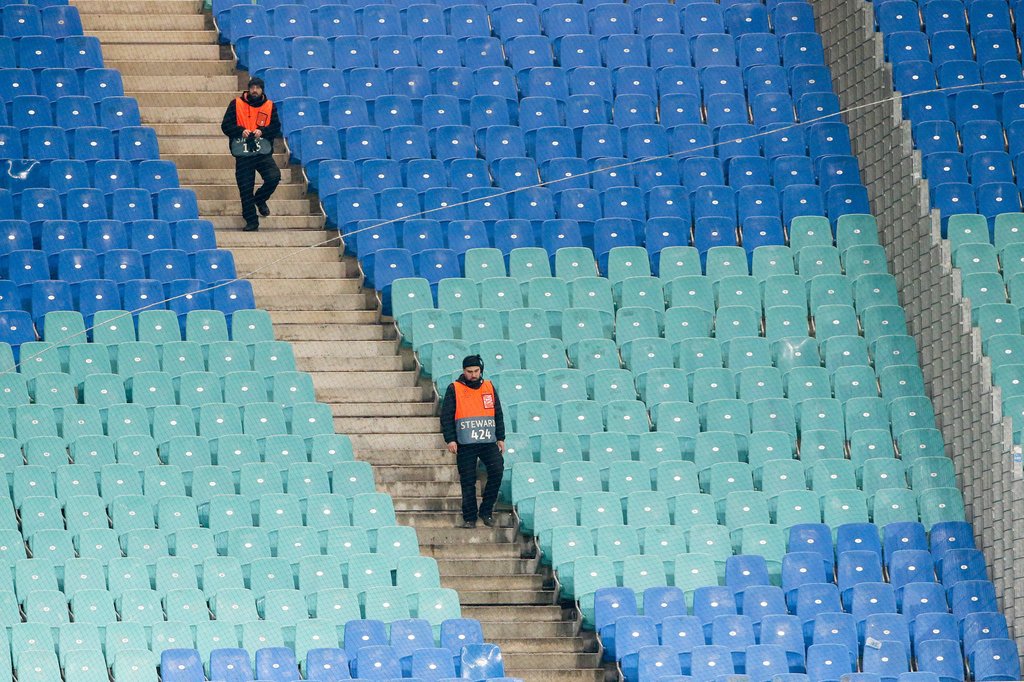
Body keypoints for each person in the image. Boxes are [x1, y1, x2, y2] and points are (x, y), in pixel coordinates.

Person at [440, 355, 505, 528]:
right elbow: (446, 416)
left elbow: (497, 413)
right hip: (465, 443)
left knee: (497, 470)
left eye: (476, 371)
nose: (474, 375)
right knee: (467, 480)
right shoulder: (454, 388)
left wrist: (501, 437)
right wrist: (450, 439)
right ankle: (470, 517)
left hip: (487, 441)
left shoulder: (489, 386)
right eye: (470, 372)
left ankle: (486, 511)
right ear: (463, 371)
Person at [221, 76, 282, 232]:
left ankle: (260, 199)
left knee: (274, 177)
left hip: (262, 152)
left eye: (258, 87)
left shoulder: (270, 106)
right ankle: (251, 221)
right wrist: (241, 131)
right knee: (245, 189)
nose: (255, 90)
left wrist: (263, 132)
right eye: (252, 87)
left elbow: (276, 127)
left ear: (262, 90)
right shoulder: (236, 104)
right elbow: (226, 125)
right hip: (243, 153)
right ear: (248, 88)